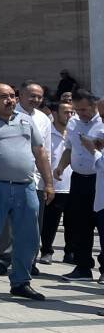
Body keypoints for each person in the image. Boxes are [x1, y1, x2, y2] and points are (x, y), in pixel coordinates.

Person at [0, 82, 55, 300]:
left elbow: (40, 152)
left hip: (25, 186)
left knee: (29, 237)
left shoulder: (25, 120)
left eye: (13, 96)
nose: (10, 100)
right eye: (4, 97)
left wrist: (49, 183)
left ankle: (21, 282)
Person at [54, 89, 103, 282]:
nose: (81, 113)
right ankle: (83, 266)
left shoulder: (102, 123)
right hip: (78, 178)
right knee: (80, 224)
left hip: (98, 179)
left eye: (84, 109)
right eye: (78, 110)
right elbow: (69, 148)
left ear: (94, 106)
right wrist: (60, 166)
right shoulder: (73, 122)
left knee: (101, 223)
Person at [40, 102, 74, 265]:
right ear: (54, 113)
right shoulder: (47, 132)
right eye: (66, 112)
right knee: (49, 222)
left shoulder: (74, 132)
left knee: (73, 222)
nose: (69, 115)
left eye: (71, 112)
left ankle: (70, 252)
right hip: (54, 185)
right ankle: (46, 251)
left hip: (74, 184)